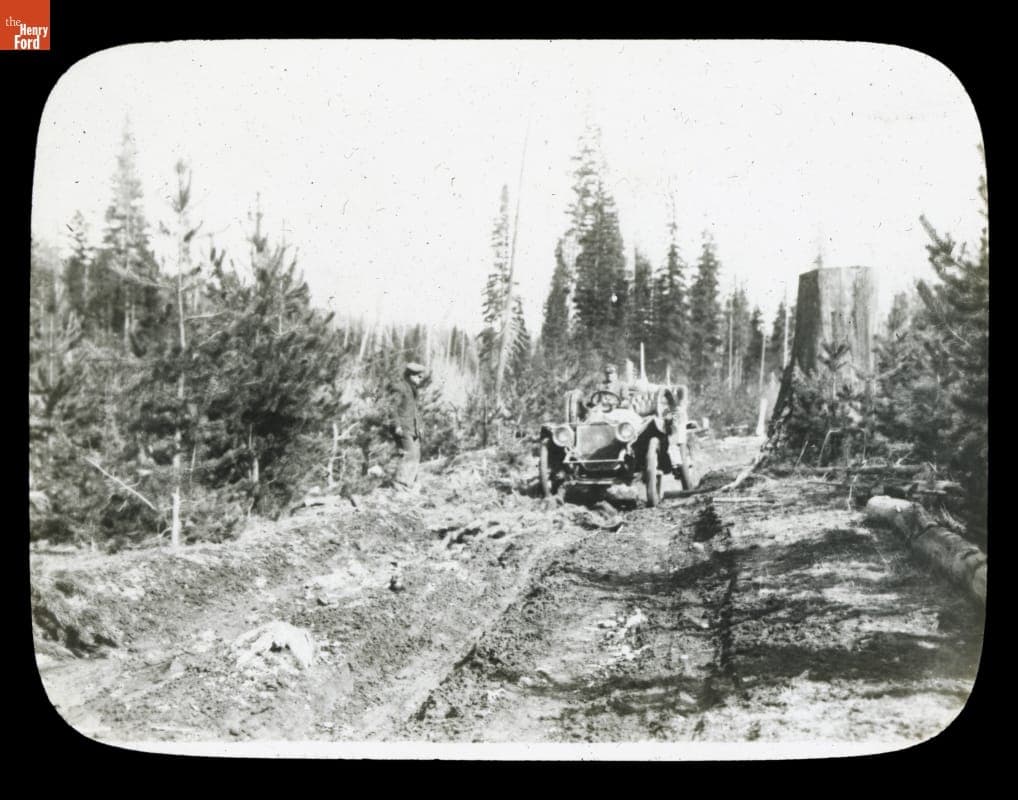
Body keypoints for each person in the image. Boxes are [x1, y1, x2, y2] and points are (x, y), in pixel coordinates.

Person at [391, 362, 427, 489]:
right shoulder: (400, 387)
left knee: (416, 454)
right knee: (409, 453)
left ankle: (410, 482)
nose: (420, 379)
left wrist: (420, 426)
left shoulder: (413, 391)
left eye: (421, 377)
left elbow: (416, 411)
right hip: (403, 427)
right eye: (418, 376)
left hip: (413, 428)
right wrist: (397, 425)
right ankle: (400, 483)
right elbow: (392, 408)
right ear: (410, 375)